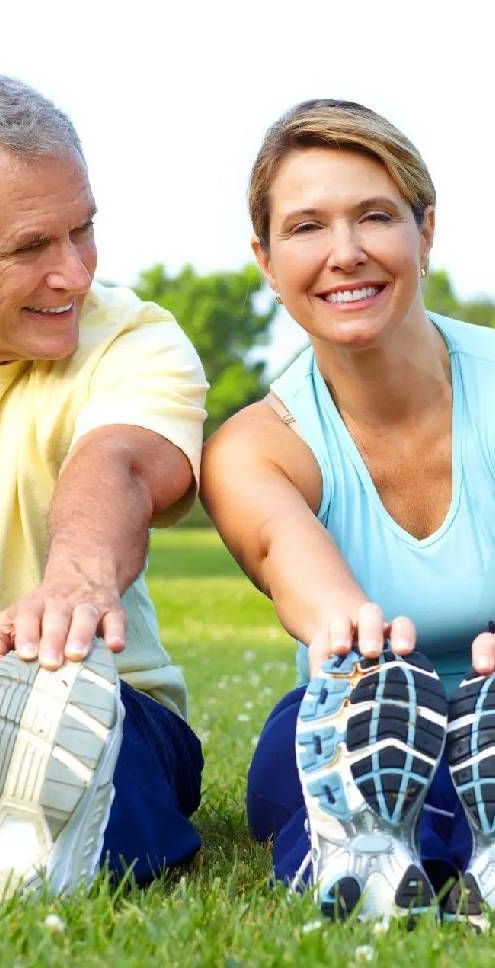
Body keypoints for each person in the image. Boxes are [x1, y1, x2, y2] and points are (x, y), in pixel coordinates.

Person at [201, 99, 495, 925]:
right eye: (305, 228)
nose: (345, 253)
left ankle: (432, 839)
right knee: (316, 741)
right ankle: (374, 843)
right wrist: (357, 642)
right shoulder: (255, 448)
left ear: (424, 230)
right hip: (348, 710)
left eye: (374, 216)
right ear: (264, 258)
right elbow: (306, 581)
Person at [0, 69, 207, 905]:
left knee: (109, 790)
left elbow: (117, 461)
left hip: (100, 706)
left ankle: (16, 835)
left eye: (82, 232)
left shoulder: (134, 337)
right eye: (31, 248)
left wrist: (76, 580)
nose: (75, 275)